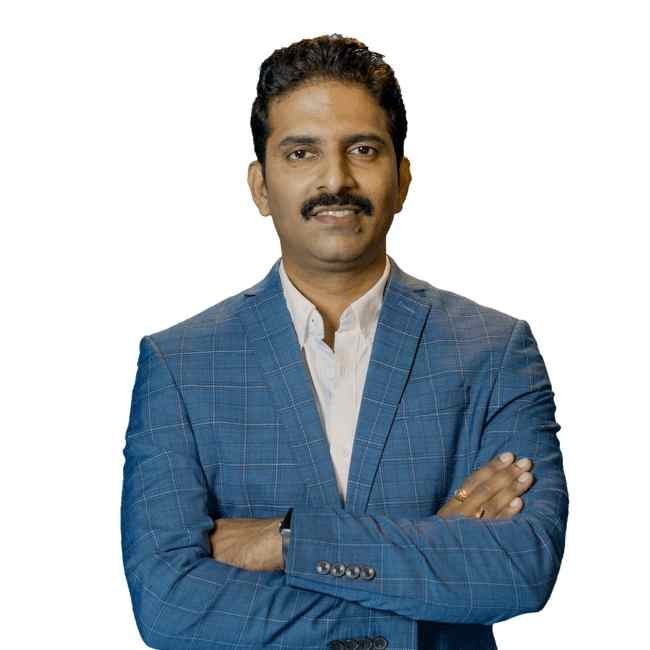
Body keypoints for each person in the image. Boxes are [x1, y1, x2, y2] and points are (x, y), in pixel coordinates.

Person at [120, 33, 568, 650]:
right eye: (301, 153)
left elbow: (519, 568)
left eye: (363, 149)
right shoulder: (181, 364)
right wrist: (421, 580)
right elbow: (168, 605)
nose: (336, 178)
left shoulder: (494, 351)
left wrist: (288, 541)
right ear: (260, 186)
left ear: (402, 179)